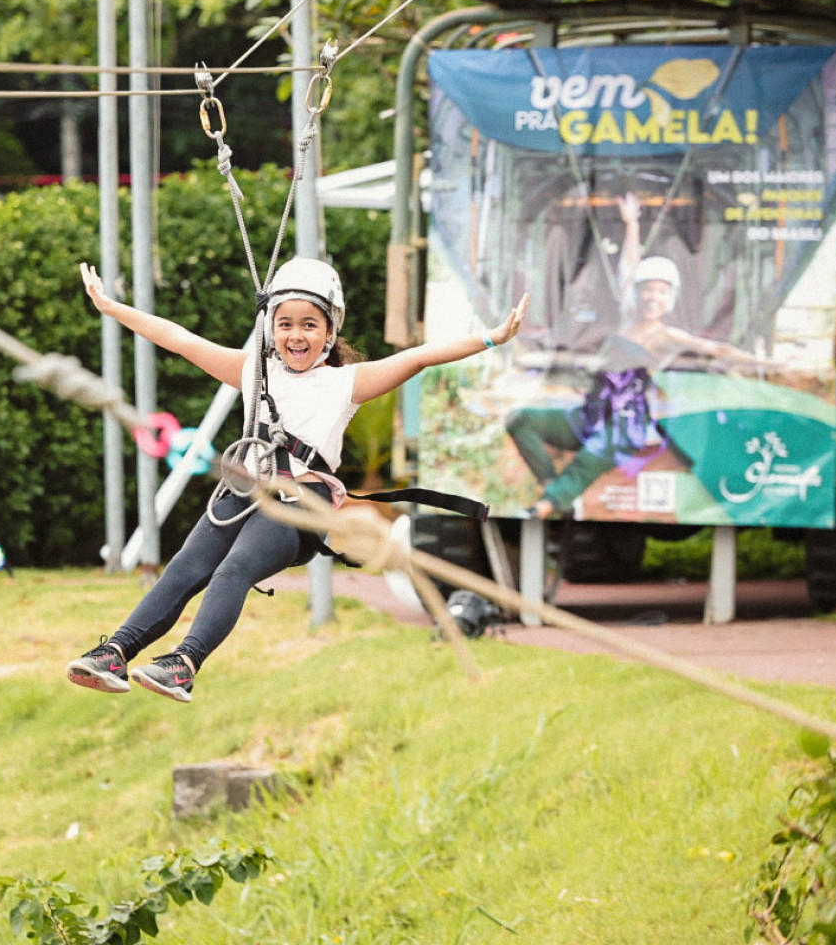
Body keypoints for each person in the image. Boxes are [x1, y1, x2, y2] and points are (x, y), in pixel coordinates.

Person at [66, 257, 528, 703]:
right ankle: (117, 652)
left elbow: (421, 357)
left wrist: (491, 338)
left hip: (300, 503)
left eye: (310, 324)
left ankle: (185, 662)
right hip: (246, 489)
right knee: (186, 568)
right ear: (271, 329)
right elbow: (179, 339)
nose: (296, 334)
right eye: (285, 323)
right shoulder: (254, 372)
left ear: (330, 332)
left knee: (234, 569)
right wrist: (111, 307)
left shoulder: (345, 383)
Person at [507, 192, 761, 518]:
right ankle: (552, 488)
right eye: (648, 288)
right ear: (640, 292)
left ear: (670, 299)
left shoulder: (666, 336)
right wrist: (632, 224)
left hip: (626, 423)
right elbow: (629, 266)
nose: (653, 296)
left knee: (592, 456)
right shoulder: (628, 317)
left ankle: (544, 507)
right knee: (521, 419)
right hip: (592, 414)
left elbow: (716, 350)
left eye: (662, 291)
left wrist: (763, 363)